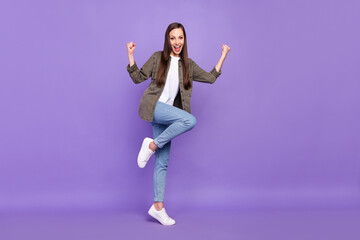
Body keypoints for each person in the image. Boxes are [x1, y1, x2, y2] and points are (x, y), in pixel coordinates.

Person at [126, 22, 230, 225]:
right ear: (168, 40)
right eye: (172, 38)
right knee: (189, 119)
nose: (176, 42)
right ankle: (152, 145)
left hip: (167, 115)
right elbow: (138, 78)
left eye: (180, 38)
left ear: (184, 40)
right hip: (154, 107)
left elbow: (210, 78)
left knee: (162, 162)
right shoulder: (158, 58)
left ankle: (158, 207)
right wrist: (130, 55)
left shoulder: (188, 65)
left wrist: (223, 55)